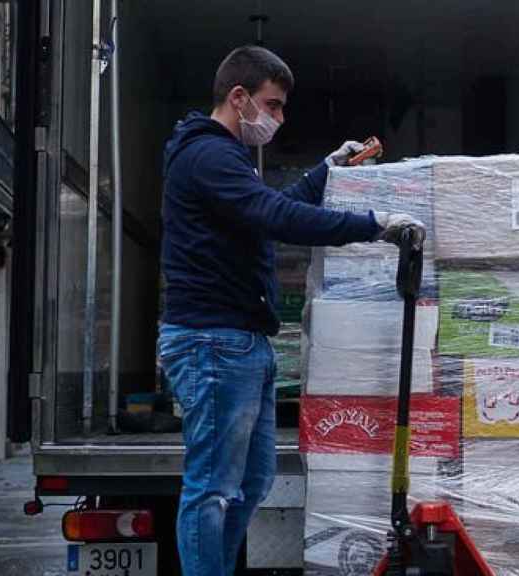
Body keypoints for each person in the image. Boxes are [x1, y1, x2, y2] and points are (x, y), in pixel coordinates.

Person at [157, 45, 421, 576]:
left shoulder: (225, 157)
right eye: (272, 105)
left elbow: (266, 208)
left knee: (250, 483)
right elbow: (276, 216)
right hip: (213, 342)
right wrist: (374, 223)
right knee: (211, 488)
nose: (278, 118)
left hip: (240, 342)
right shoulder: (208, 155)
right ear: (239, 97)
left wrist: (327, 170)